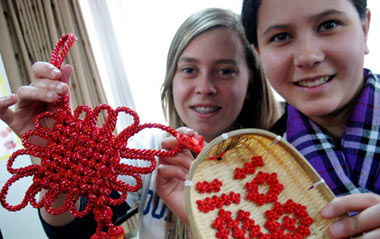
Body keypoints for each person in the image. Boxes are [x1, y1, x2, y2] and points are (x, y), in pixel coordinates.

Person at [0, 8, 280, 239]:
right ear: (171, 81)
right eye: (189, 69)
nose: (205, 87)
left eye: (225, 70)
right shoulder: (148, 150)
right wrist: (55, 161)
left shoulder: (282, 166)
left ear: (252, 82)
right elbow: (76, 232)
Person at [240, 0, 380, 238]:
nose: (307, 56)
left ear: (364, 29)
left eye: (329, 25)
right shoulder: (252, 175)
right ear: (259, 53)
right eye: (281, 36)